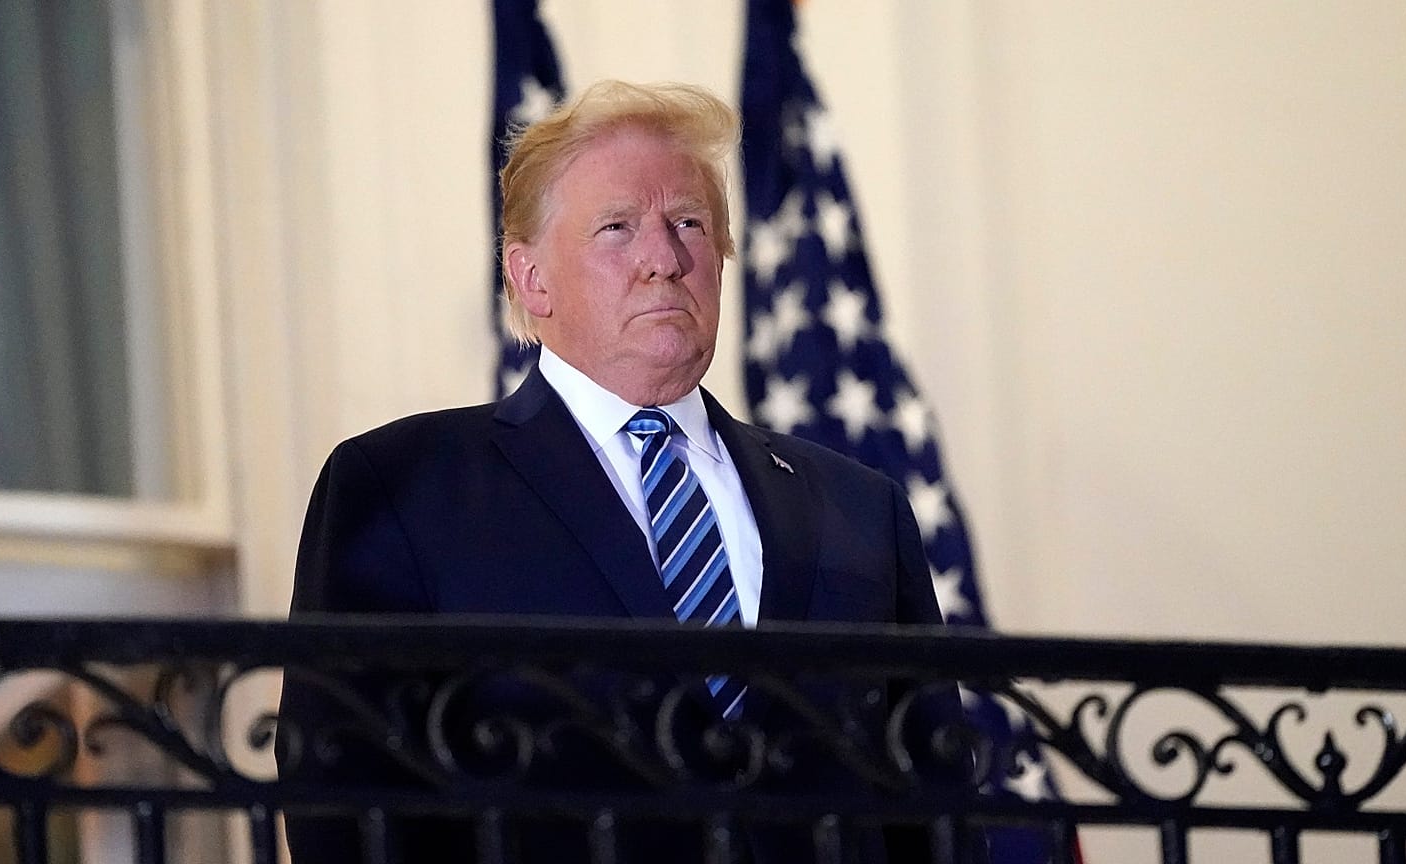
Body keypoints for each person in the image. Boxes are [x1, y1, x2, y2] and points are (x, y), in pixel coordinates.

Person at [280, 80, 955, 864]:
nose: (663, 260)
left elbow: (932, 804)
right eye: (617, 228)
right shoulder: (403, 490)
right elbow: (342, 804)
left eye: (689, 225)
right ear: (530, 278)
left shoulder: (859, 509)